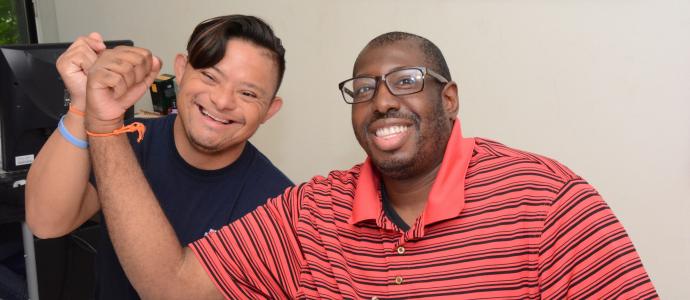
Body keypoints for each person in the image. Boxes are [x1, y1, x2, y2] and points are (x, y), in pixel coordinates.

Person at [83, 31, 658, 299]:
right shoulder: (310, 211)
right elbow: (171, 285)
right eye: (363, 88)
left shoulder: (546, 201)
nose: (382, 100)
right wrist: (106, 121)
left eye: (406, 82)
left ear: (449, 99)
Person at [24, 15, 293, 299]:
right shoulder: (124, 142)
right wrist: (83, 105)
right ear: (181, 69)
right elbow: (47, 222)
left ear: (269, 111)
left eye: (248, 93)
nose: (223, 101)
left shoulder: (278, 206)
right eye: (210, 76)